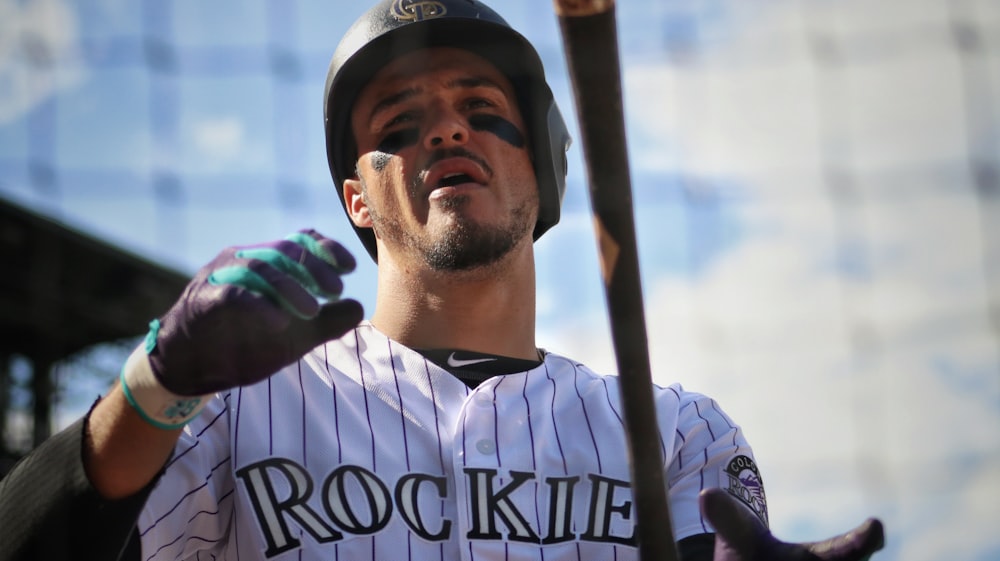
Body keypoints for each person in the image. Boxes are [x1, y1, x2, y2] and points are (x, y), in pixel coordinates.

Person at [0, 0, 885, 559]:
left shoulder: (674, 431)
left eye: (484, 111)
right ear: (356, 196)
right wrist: (155, 382)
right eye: (401, 120)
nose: (446, 131)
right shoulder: (234, 416)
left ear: (542, 172)